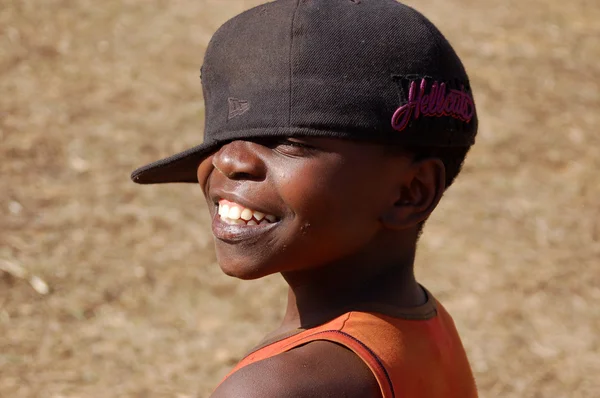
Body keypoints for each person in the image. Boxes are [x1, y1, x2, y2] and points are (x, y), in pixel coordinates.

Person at [131, 0, 479, 396]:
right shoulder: (418, 322)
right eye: (224, 138)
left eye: (290, 142)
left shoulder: (281, 387)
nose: (228, 159)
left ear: (410, 192)